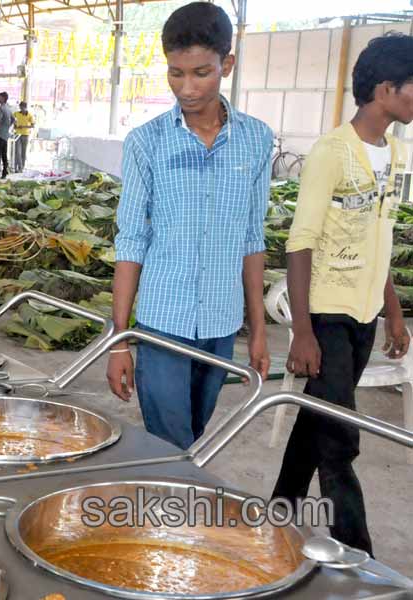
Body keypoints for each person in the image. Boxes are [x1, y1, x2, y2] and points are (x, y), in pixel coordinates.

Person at [106, 2, 272, 451]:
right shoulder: (147, 142)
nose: (187, 87)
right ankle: (169, 514)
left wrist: (258, 330)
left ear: (227, 65)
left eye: (201, 72)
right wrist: (119, 339)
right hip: (162, 320)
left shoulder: (257, 139)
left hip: (221, 320)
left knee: (196, 436)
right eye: (175, 73)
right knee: (168, 444)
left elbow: (252, 239)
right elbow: (131, 239)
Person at [272, 33, 413, 556]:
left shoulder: (394, 154)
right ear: (385, 89)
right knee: (340, 440)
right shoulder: (332, 153)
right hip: (327, 316)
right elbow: (301, 242)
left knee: (317, 422)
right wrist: (303, 331)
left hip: (365, 317)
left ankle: (277, 512)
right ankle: (361, 558)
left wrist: (395, 318)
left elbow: (381, 238)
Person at [12, 101, 34, 173]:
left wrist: (24, 126)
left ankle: (21, 167)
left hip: (25, 134)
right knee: (17, 151)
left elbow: (33, 125)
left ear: (25, 107)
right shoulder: (16, 113)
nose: (21, 109)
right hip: (17, 135)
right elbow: (11, 118)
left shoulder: (29, 115)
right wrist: (14, 124)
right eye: (20, 107)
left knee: (23, 152)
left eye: (22, 107)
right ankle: (17, 167)